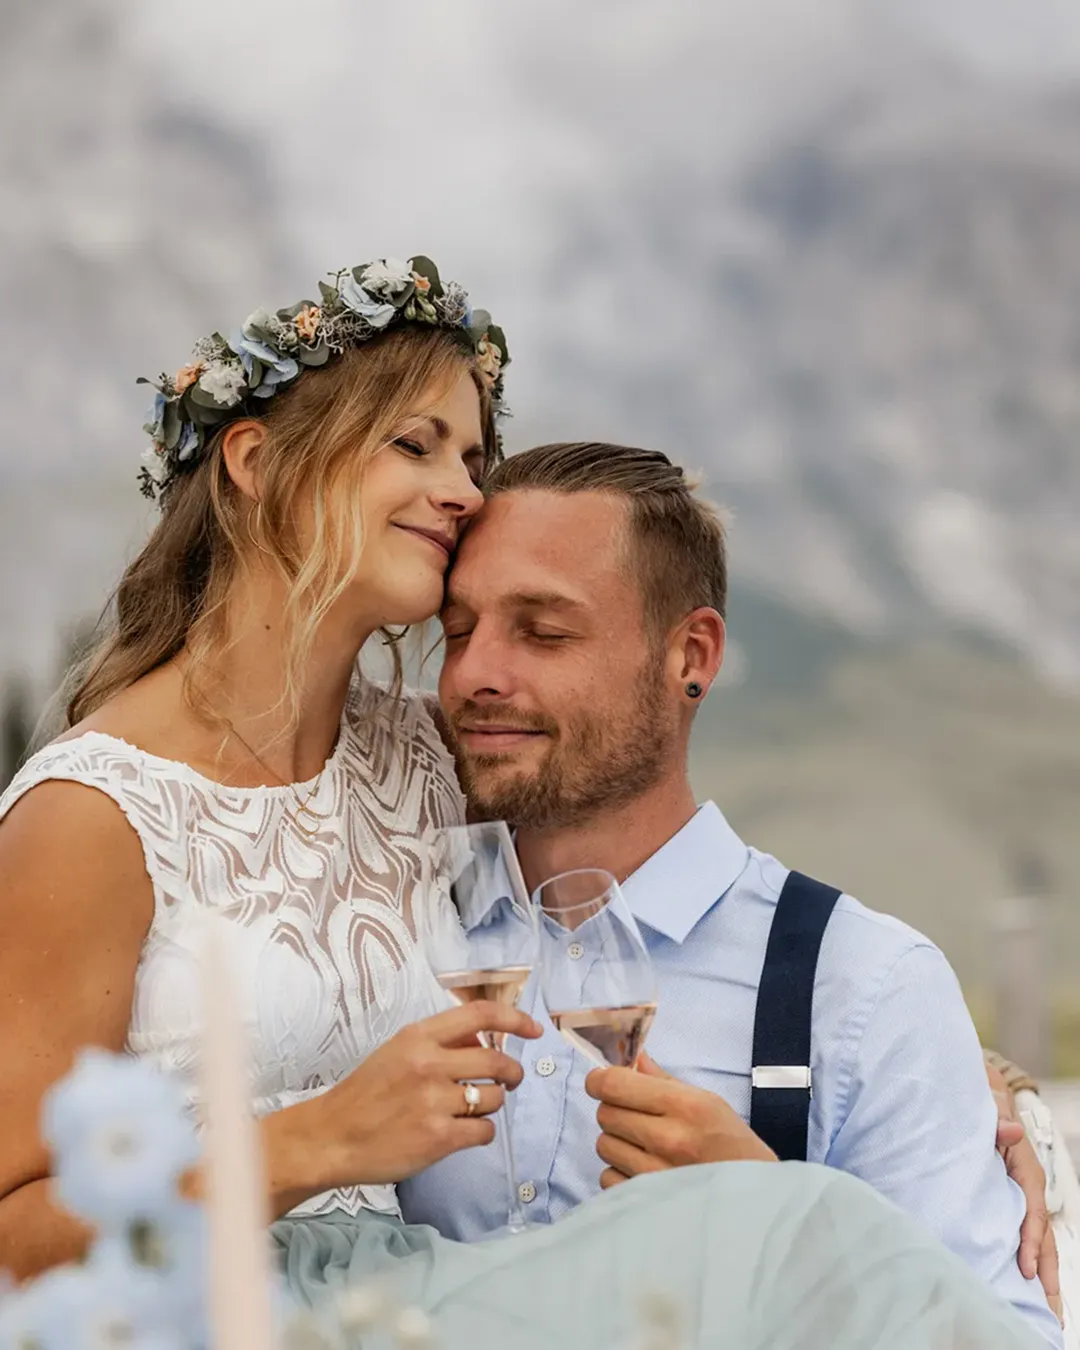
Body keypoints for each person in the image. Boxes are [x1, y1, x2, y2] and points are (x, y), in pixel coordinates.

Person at [0, 260, 1049, 1350]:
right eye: (415, 445)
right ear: (257, 460)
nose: (462, 489)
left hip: (397, 1296)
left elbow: (655, 847)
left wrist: (935, 1068)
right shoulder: (98, 809)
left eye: (469, 454)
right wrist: (321, 1140)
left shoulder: (421, 757)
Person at [397, 440, 1064, 1347]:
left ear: (692, 656)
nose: (475, 674)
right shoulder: (394, 922)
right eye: (461, 629)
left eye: (545, 631)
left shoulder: (868, 986)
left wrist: (774, 1223)